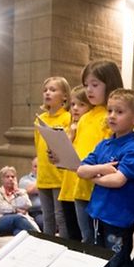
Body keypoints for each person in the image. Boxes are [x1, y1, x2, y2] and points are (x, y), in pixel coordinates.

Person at [72, 88, 134, 267]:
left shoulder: (133, 149)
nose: (112, 115)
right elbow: (81, 170)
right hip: (99, 213)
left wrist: (94, 173)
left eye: (119, 111)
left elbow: (118, 181)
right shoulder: (104, 144)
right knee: (101, 259)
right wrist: (103, 168)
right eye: (110, 110)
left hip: (118, 217)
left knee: (117, 264)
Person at [71, 62, 124, 246]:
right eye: (86, 85)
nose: (89, 90)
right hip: (81, 187)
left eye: (95, 85)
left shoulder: (110, 117)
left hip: (99, 189)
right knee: (86, 239)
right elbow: (78, 151)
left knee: (100, 242)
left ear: (109, 84)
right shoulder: (85, 118)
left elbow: (111, 153)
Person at [34, 76, 72, 237]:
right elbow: (38, 146)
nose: (48, 93)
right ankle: (47, 247)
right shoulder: (40, 119)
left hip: (60, 175)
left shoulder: (67, 118)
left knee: (60, 217)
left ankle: (63, 247)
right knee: (47, 217)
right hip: (44, 174)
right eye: (45, 90)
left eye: (53, 90)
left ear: (64, 96)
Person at [56, 85, 92, 243]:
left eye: (81, 104)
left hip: (81, 187)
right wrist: (70, 135)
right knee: (70, 234)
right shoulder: (70, 129)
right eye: (73, 104)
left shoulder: (89, 127)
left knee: (82, 236)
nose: (76, 108)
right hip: (67, 187)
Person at [0, 165, 39, 236]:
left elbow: (27, 204)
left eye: (13, 177)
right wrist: (15, 210)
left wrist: (16, 191)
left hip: (19, 219)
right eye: (7, 177)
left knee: (19, 232)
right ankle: (39, 238)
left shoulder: (21, 191)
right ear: (2, 179)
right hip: (0, 219)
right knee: (18, 218)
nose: (11, 179)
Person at [18, 157, 42, 231]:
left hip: (51, 211)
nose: (37, 169)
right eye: (35, 166)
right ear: (32, 167)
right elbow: (31, 189)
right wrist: (46, 180)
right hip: (35, 212)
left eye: (40, 166)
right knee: (43, 223)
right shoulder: (25, 180)